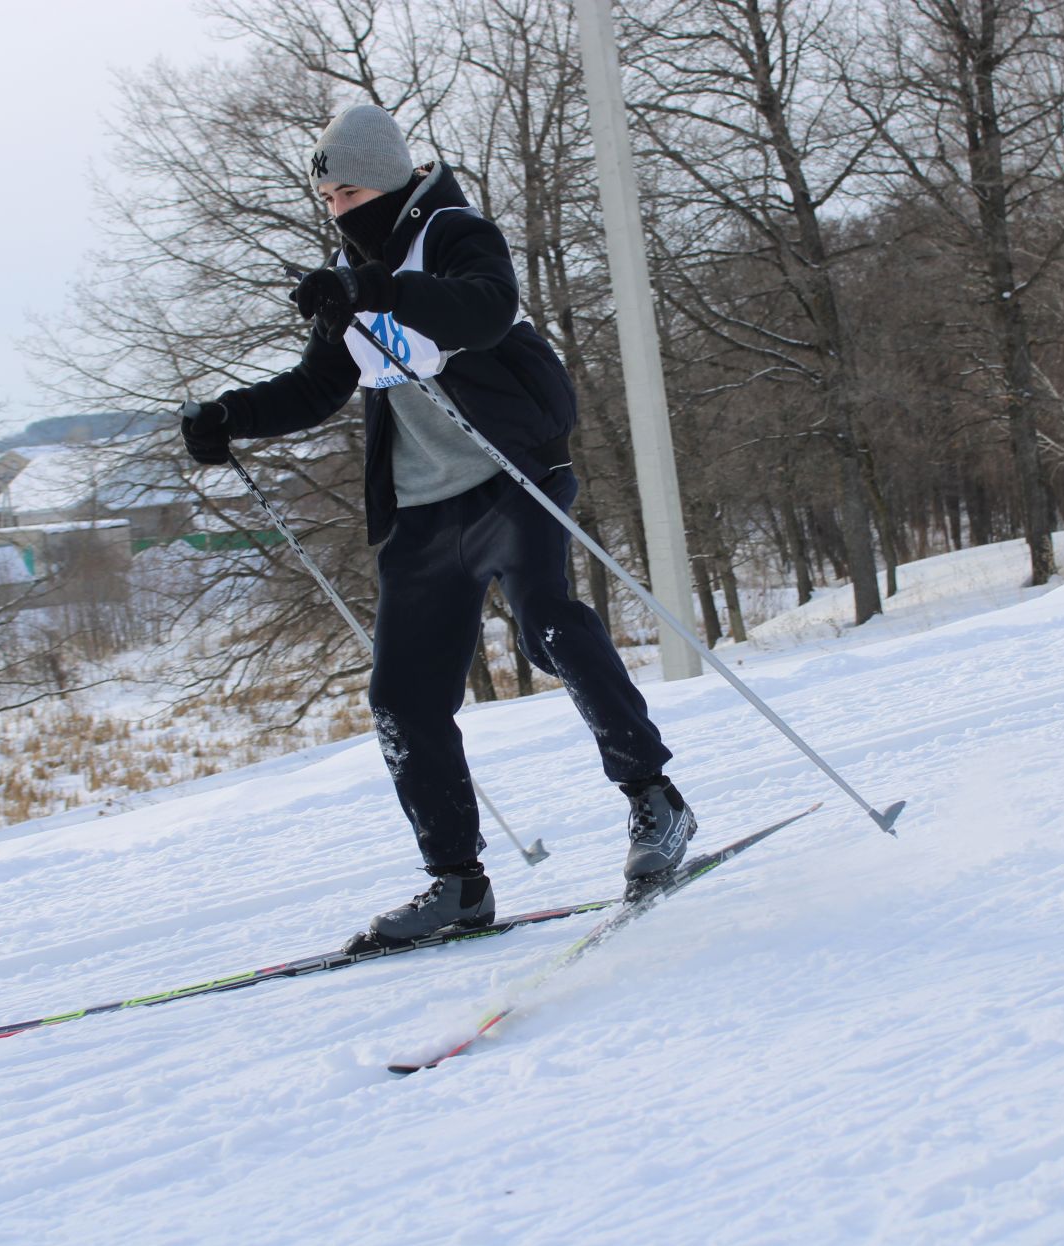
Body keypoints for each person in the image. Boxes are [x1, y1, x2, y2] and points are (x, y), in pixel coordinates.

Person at [180, 103, 694, 945]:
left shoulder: (455, 232)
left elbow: (482, 312)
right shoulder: (352, 274)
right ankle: (457, 884)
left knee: (548, 628)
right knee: (403, 695)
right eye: (329, 199)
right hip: (423, 510)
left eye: (348, 192)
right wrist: (227, 416)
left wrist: (375, 287)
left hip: (509, 473)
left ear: (385, 180)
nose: (338, 210)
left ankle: (656, 802)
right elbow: (318, 387)